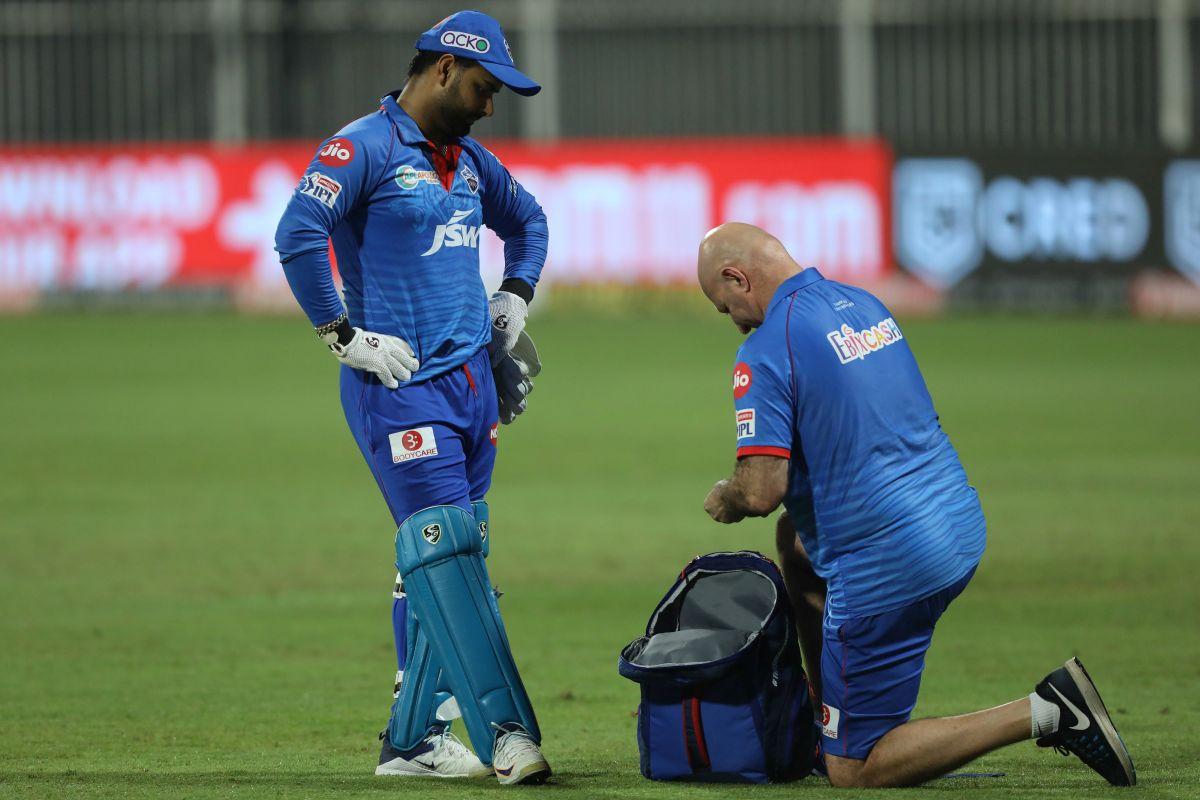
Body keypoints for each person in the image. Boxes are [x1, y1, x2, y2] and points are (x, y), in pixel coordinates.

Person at [696, 222, 1136, 788]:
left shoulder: (763, 350)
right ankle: (823, 710)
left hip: (891, 564)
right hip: (957, 523)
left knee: (854, 771)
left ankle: (1050, 710)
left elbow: (760, 489)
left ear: (738, 277)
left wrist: (727, 496)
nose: (731, 318)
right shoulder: (864, 305)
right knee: (794, 542)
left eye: (723, 303)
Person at [274, 10, 551, 785]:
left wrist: (512, 301)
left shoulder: (466, 160)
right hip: (398, 389)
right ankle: (506, 731)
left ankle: (414, 739)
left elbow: (527, 221)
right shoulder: (360, 146)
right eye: (482, 87)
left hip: (472, 390)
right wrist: (342, 334)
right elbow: (299, 234)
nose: (490, 104)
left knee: (446, 560)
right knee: (448, 556)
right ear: (440, 70)